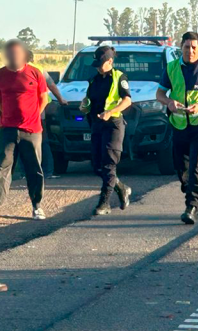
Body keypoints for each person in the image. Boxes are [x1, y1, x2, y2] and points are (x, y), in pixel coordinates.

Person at [156, 31, 198, 225]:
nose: (191, 51)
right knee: (181, 167)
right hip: (179, 123)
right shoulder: (171, 68)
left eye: (194, 47)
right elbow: (159, 93)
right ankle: (194, 198)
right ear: (181, 48)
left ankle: (191, 206)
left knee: (197, 166)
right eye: (187, 47)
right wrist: (169, 102)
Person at [0, 39, 48, 221]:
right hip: (7, 129)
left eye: (17, 53)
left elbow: (44, 99)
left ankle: (37, 206)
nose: (13, 57)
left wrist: (33, 115)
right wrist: (5, 116)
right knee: (2, 166)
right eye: (10, 54)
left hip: (32, 130)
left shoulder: (35, 73)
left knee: (34, 168)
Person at [81, 45, 133, 215]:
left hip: (113, 125)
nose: (97, 67)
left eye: (100, 63)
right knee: (96, 166)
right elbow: (89, 100)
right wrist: (84, 106)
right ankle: (121, 187)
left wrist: (110, 112)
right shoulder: (93, 80)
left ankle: (104, 204)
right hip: (97, 125)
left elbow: (127, 101)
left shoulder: (120, 77)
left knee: (109, 165)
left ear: (110, 61)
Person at [26, 49, 68, 179]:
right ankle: (47, 171)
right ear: (32, 58)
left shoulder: (13, 69)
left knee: (22, 143)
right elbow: (52, 86)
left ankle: (25, 172)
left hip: (20, 113)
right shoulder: (38, 69)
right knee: (43, 141)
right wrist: (61, 100)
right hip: (38, 111)